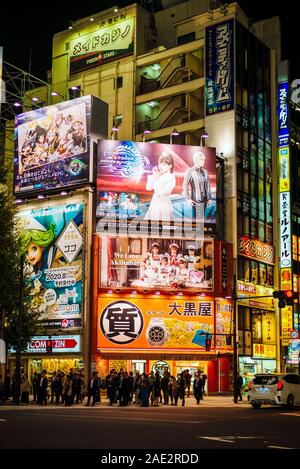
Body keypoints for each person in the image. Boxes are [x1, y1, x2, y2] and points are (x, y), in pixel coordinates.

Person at [145, 152, 176, 222]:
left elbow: (161, 193)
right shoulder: (159, 176)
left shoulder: (171, 178)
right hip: (154, 207)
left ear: (170, 166)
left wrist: (156, 179)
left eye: (164, 164)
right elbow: (148, 187)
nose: (161, 166)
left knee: (164, 230)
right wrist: (154, 175)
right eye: (160, 164)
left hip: (164, 208)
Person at [183, 151, 212, 220]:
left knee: (201, 220)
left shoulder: (205, 172)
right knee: (197, 220)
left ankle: (199, 229)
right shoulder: (190, 171)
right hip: (196, 200)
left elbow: (208, 185)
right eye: (202, 160)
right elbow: (185, 185)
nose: (203, 162)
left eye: (204, 160)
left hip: (205, 199)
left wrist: (209, 198)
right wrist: (188, 198)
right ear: (197, 160)